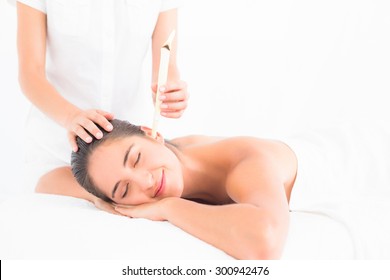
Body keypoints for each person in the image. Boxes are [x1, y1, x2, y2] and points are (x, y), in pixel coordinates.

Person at [71, 119, 390, 259]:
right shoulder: (171, 156)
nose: (146, 182)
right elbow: (48, 181)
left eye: (137, 158)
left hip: (370, 160)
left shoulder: (244, 162)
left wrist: (167, 208)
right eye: (124, 190)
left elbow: (263, 244)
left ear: (151, 133)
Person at [15, 0, 188, 210]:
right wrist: (72, 118)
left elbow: (166, 64)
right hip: (54, 152)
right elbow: (30, 74)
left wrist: (170, 91)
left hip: (131, 165)